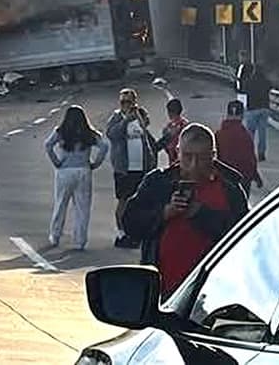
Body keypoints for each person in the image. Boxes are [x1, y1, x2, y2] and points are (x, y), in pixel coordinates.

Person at [121, 124, 249, 298]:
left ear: (213, 156)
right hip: (162, 293)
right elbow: (130, 223)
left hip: (212, 295)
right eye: (188, 157)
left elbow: (244, 238)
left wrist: (199, 213)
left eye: (202, 158)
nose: (194, 165)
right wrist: (165, 213)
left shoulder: (230, 190)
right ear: (178, 153)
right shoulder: (158, 182)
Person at [43, 105, 109, 250]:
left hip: (65, 171)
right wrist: (95, 163)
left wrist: (56, 161)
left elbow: (48, 145)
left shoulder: (61, 131)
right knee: (82, 207)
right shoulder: (89, 133)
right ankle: (80, 240)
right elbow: (104, 146)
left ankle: (55, 236)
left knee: (60, 204)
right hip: (84, 170)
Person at [106, 88, 157, 249]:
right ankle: (122, 232)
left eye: (129, 102)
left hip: (141, 166)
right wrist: (126, 120)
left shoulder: (141, 115)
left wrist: (138, 117)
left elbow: (146, 130)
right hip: (124, 168)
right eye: (123, 102)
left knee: (142, 202)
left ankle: (138, 233)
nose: (126, 105)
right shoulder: (116, 117)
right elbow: (112, 135)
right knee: (124, 201)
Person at [214, 100, 262, 192]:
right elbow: (250, 159)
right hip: (243, 179)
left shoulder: (219, 135)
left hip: (225, 180)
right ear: (242, 115)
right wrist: (256, 177)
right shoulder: (246, 135)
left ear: (227, 114)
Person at [243, 65, 273, 161]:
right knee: (262, 133)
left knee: (250, 133)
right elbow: (271, 87)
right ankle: (261, 153)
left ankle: (249, 153)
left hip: (252, 109)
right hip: (264, 109)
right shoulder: (266, 82)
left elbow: (244, 89)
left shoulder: (249, 81)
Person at [156, 98, 188, 164]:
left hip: (174, 161)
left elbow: (164, 146)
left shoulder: (168, 127)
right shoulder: (186, 125)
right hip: (185, 161)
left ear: (169, 112)